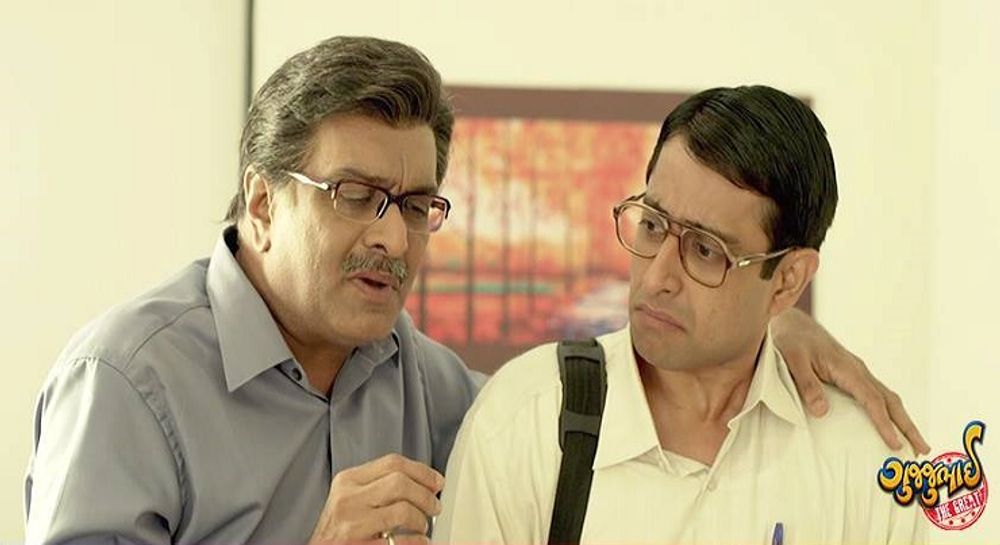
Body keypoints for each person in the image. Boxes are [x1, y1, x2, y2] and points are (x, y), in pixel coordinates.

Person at [24, 37, 923, 545]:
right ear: (262, 201)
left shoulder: (432, 385)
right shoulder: (128, 383)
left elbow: (579, 408)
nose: (391, 236)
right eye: (355, 196)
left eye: (416, 205)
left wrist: (761, 327)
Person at [434, 86, 926, 544]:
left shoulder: (863, 464)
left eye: (705, 250)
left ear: (788, 280)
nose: (657, 277)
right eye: (652, 225)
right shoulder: (524, 425)